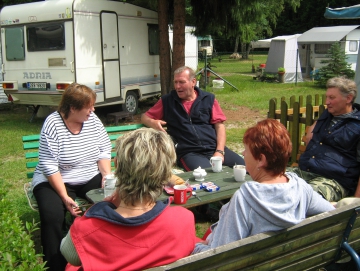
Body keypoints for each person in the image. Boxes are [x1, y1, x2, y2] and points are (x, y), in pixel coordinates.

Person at [60, 128, 197, 270]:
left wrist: (101, 208)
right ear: (165, 173)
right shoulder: (184, 220)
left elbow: (69, 254)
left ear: (117, 164)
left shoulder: (88, 228)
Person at [192, 119, 335, 253]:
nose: (242, 153)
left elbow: (220, 256)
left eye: (246, 150)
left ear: (261, 159)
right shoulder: (300, 188)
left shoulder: (246, 199)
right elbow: (331, 213)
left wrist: (195, 247)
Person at [32, 83, 112, 271]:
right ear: (73, 108)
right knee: (52, 215)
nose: (92, 111)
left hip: (88, 175)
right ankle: (55, 265)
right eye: (89, 106)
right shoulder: (53, 124)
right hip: (55, 179)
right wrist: (64, 196)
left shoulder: (92, 120)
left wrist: (106, 176)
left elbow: (103, 149)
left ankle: (103, 256)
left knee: (111, 202)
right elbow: (49, 165)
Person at [141, 66, 244, 171]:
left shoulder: (208, 98)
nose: (177, 86)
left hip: (214, 148)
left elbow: (220, 126)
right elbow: (144, 117)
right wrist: (152, 122)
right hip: (189, 152)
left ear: (193, 82)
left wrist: (220, 151)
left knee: (246, 167)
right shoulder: (167, 101)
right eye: (175, 82)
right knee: (207, 176)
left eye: (181, 82)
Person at [288, 77, 360, 202]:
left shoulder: (357, 125)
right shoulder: (328, 114)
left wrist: (356, 202)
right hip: (304, 172)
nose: (327, 102)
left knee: (301, 197)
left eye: (332, 98)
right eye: (326, 97)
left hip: (332, 181)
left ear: (348, 98)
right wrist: (315, 125)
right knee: (267, 179)